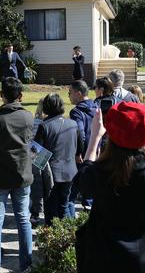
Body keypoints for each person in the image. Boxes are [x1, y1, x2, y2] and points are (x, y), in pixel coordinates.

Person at [75, 101, 145, 273]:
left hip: (102, 261)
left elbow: (83, 181)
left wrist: (95, 138)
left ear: (110, 134)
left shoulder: (99, 174)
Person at [0, 77, 34, 273]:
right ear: (20, 96)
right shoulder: (28, 117)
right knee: (23, 220)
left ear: (2, 95)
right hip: (22, 175)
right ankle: (26, 266)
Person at [34, 93, 82, 226]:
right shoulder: (73, 124)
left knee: (50, 209)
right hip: (70, 171)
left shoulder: (44, 126)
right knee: (64, 205)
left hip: (51, 174)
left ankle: (52, 240)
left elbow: (36, 154)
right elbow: (80, 147)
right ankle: (66, 237)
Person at [68, 80, 97, 215]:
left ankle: (70, 226)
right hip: (96, 153)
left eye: (70, 93)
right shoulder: (97, 107)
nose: (68, 96)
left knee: (71, 195)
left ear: (78, 93)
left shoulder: (76, 112)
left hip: (82, 157)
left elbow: (80, 134)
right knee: (90, 193)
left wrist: (78, 152)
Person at [28, 99, 53, 227]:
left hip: (35, 153)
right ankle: (44, 213)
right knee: (48, 184)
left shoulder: (34, 121)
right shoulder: (49, 122)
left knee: (36, 186)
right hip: (44, 154)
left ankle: (35, 214)